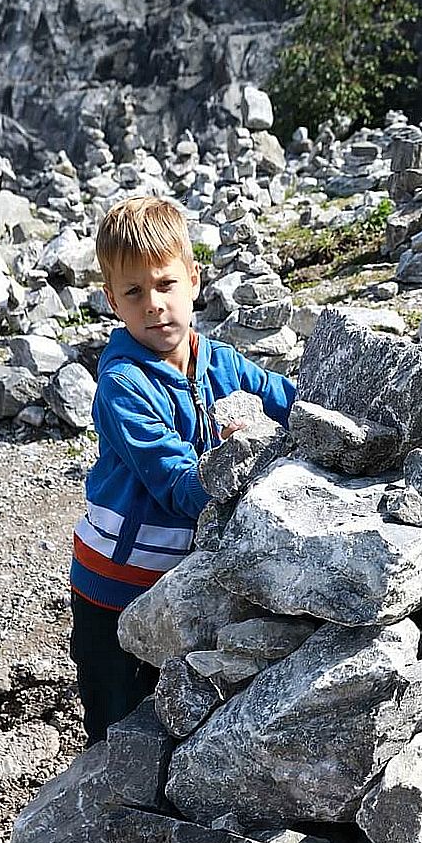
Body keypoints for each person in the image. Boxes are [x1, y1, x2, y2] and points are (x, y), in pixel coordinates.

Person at [69, 196, 295, 745]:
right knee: (116, 725)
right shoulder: (123, 384)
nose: (154, 305)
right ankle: (99, 815)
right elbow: (176, 484)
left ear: (194, 281)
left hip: (185, 583)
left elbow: (291, 401)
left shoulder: (220, 362)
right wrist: (238, 464)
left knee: (181, 721)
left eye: (166, 284)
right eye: (134, 292)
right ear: (112, 303)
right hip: (115, 588)